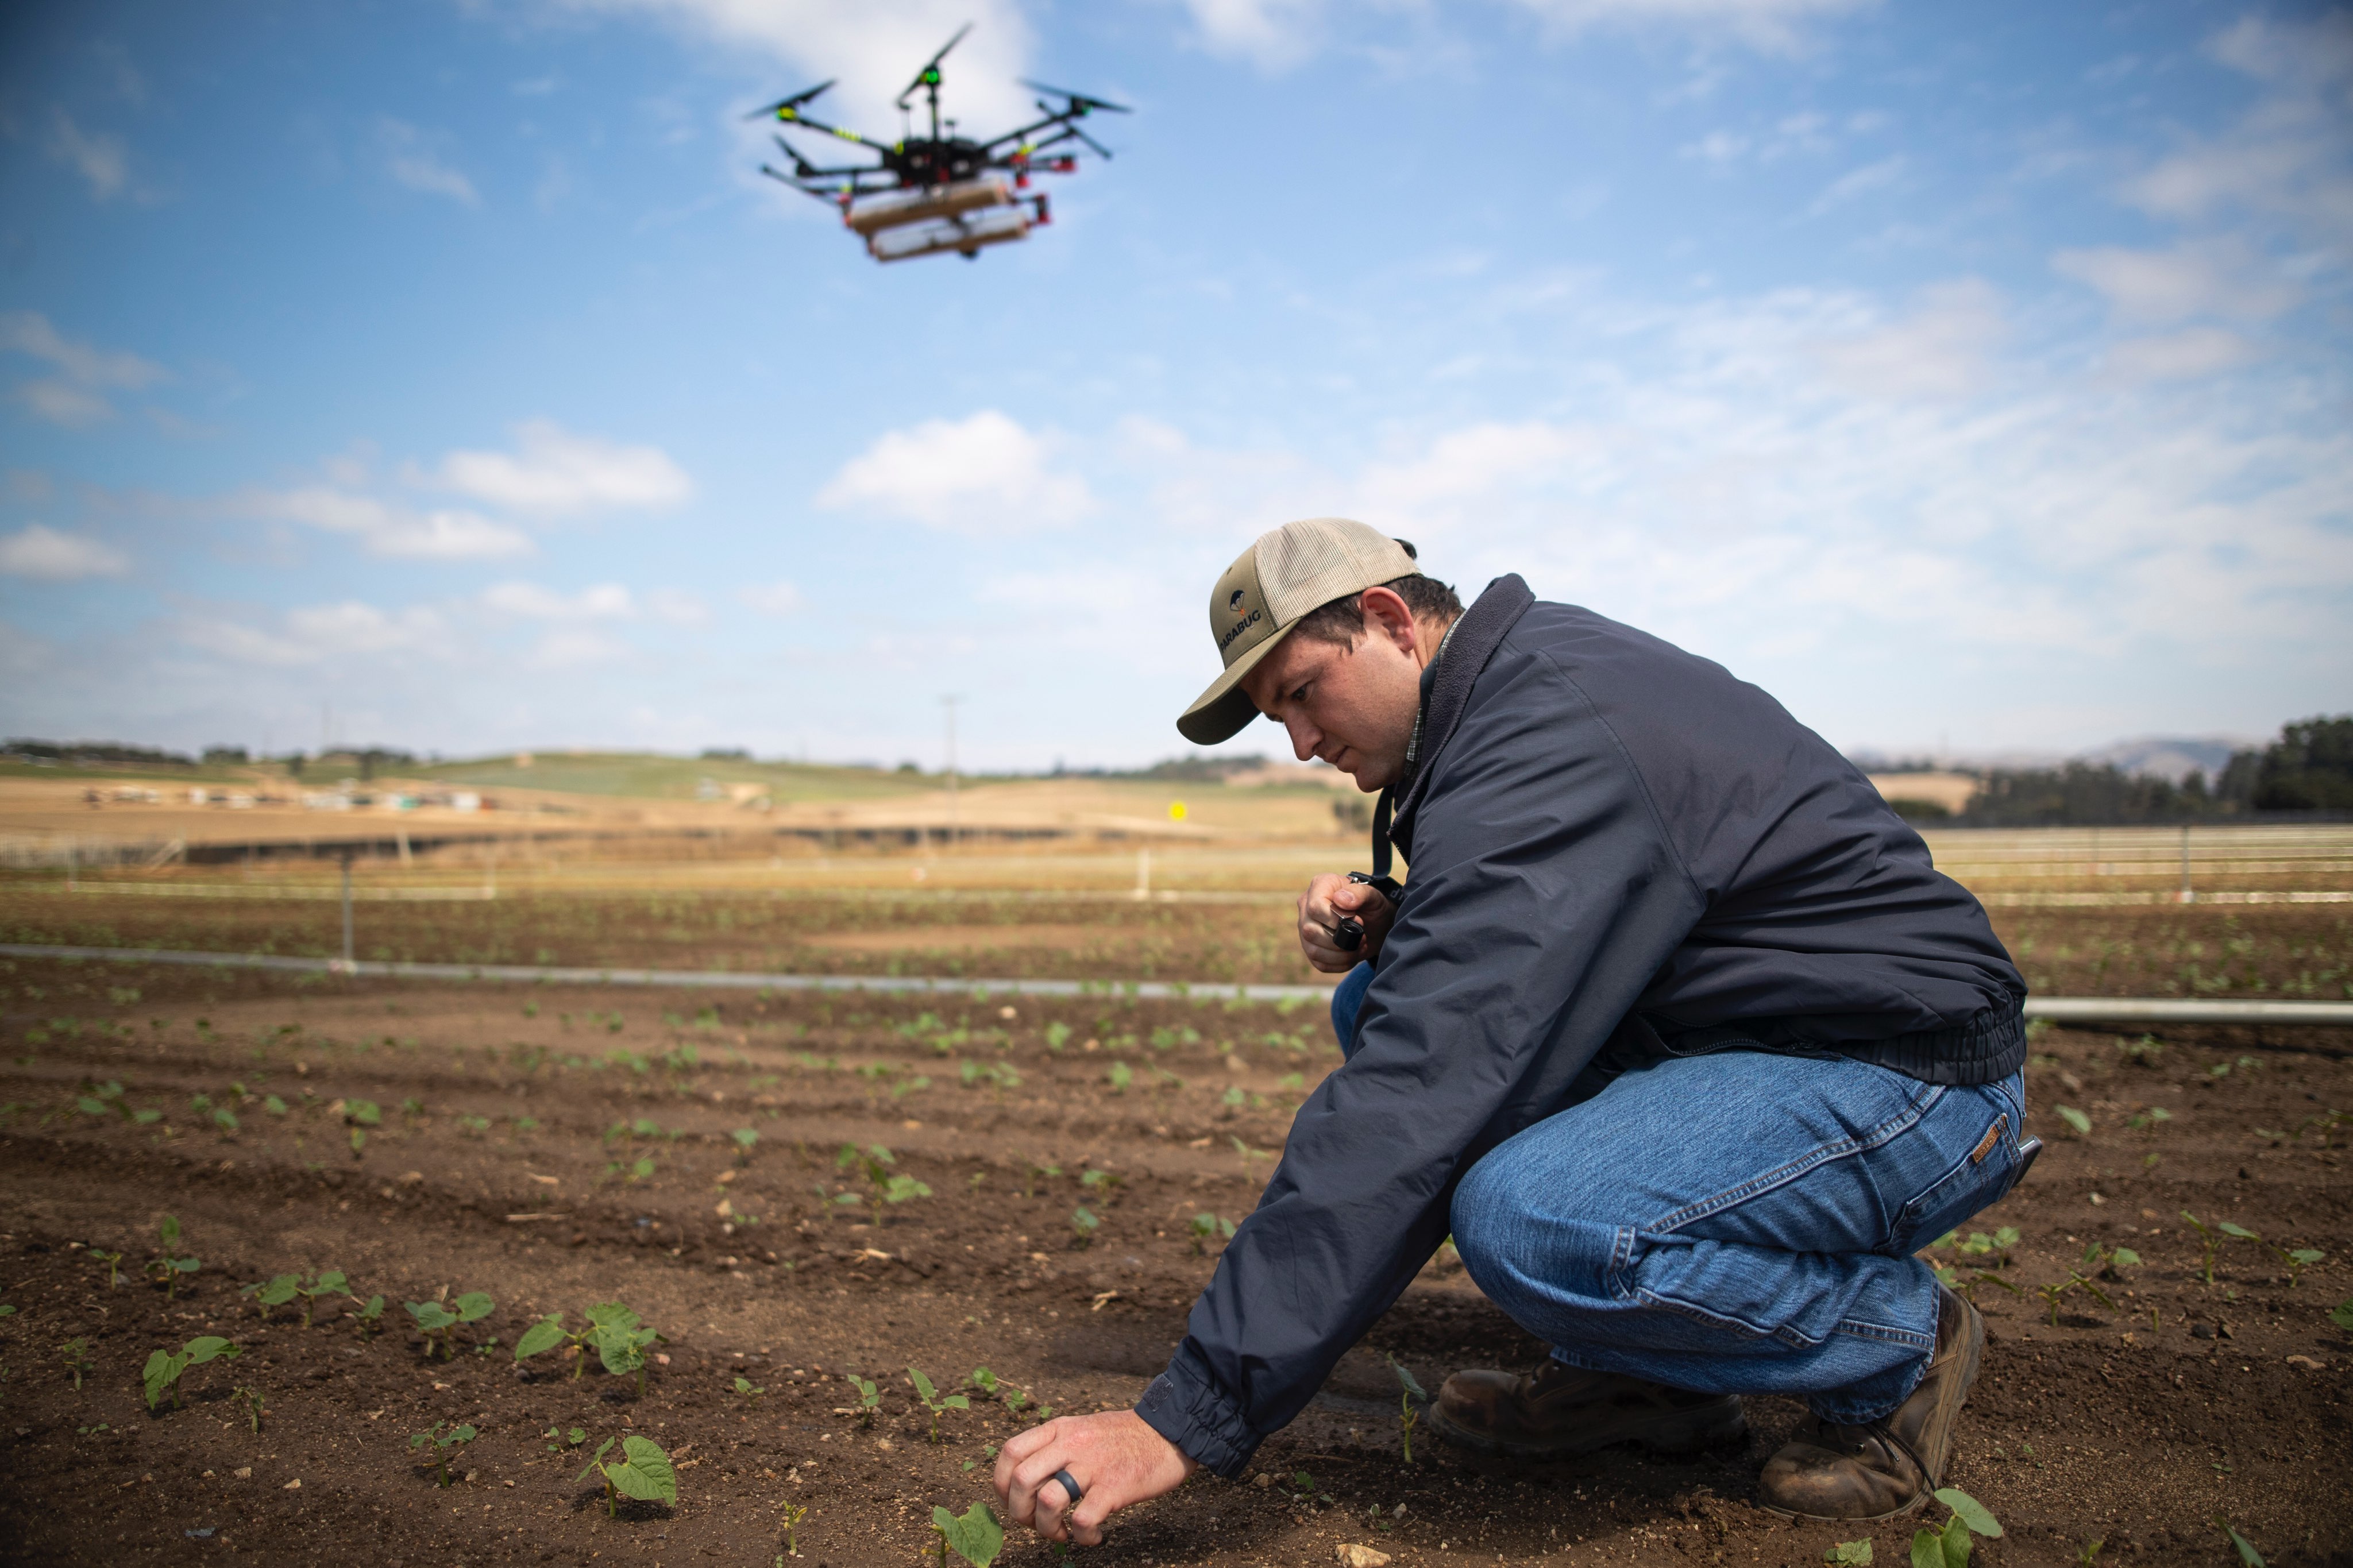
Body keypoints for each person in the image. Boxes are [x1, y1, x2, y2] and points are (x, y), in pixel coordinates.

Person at [994, 517, 2032, 1543]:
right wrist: (1406, 924)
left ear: (1390, 620)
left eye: (1303, 693)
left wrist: (1186, 1416)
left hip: (1908, 1075)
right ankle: (1651, 1379)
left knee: (1537, 1222)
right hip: (1765, 1035)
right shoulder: (1508, 700)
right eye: (1279, 720)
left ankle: (1896, 1343)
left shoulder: (1545, 735)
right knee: (1376, 997)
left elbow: (1419, 1093)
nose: (1304, 743)